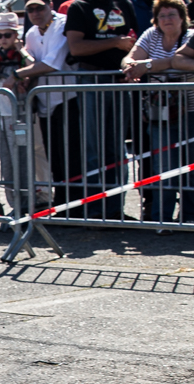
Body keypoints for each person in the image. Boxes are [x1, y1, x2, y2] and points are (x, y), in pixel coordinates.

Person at [65, 0, 138, 218]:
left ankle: (116, 210)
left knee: (117, 151)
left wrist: (130, 65)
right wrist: (115, 42)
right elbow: (77, 47)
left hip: (119, 81)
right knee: (93, 151)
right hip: (91, 79)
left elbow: (136, 41)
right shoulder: (79, 7)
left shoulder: (124, 4)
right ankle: (95, 211)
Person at [5, 0, 78, 213]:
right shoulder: (31, 33)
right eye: (30, 9)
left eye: (40, 8)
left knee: (70, 156)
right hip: (45, 101)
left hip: (68, 98)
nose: (35, 13)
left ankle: (74, 206)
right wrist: (26, 79)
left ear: (50, 5)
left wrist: (17, 75)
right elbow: (33, 65)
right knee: (53, 157)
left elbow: (51, 64)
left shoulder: (62, 25)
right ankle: (61, 205)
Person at [130, 0, 194, 222]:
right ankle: (161, 219)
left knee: (190, 165)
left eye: (172, 14)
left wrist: (147, 65)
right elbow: (131, 58)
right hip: (159, 109)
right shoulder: (151, 34)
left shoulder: (189, 35)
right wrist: (130, 65)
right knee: (163, 166)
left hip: (190, 109)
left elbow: (176, 61)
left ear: (182, 17)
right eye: (162, 15)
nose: (167, 19)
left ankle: (189, 218)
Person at [0, 12, 51, 216]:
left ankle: (27, 201)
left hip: (20, 112)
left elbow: (32, 65)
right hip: (0, 112)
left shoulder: (21, 55)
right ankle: (14, 204)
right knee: (5, 159)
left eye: (7, 35)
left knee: (22, 158)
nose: (3, 39)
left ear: (16, 36)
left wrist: (20, 49)